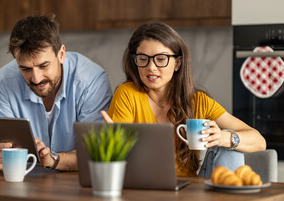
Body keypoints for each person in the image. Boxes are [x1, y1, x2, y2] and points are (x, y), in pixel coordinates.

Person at [101, 21, 266, 177]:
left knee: (230, 147)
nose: (151, 67)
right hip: (144, 185)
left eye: (160, 59)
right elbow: (114, 159)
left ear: (178, 63)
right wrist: (114, 145)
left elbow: (259, 141)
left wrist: (224, 138)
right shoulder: (127, 94)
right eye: (143, 59)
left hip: (192, 191)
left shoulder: (199, 101)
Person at [0, 15, 112, 171]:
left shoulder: (91, 81)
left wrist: (53, 159)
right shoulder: (4, 81)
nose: (36, 78)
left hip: (78, 185)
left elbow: (96, 152)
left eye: (44, 66)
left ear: (61, 54)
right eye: (25, 69)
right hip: (27, 182)